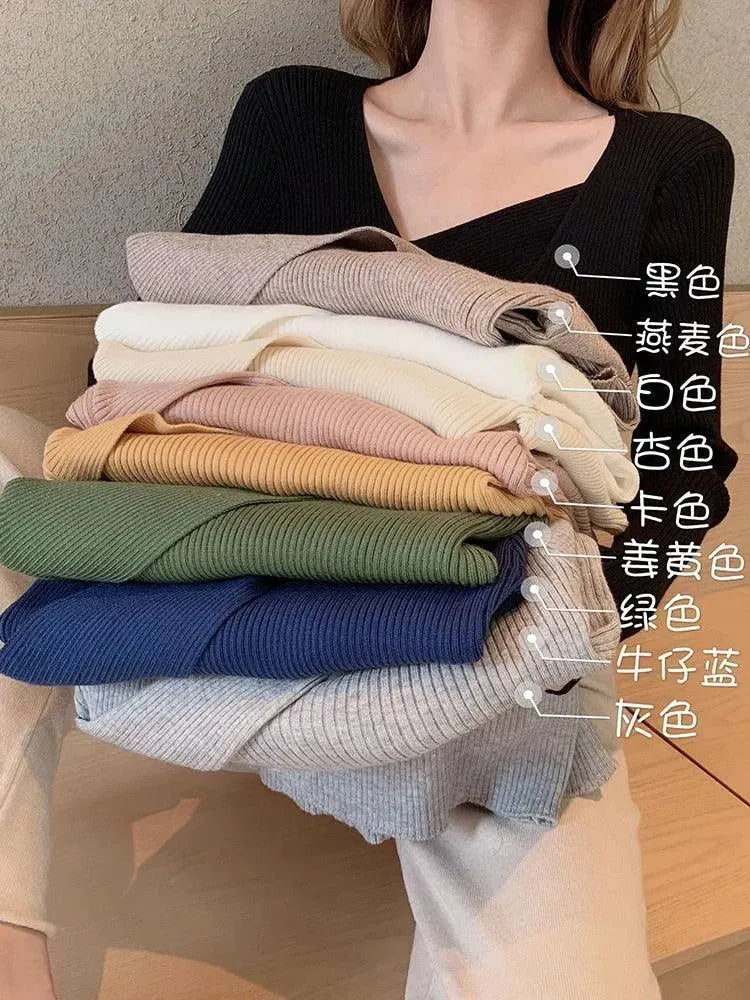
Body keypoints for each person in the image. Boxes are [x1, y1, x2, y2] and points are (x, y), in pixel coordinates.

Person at [0, 0, 736, 996]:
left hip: (482, 657)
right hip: (210, 588)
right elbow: (148, 363)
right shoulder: (295, 115)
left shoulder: (671, 160)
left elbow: (681, 470)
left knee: (568, 976)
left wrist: (536, 633)